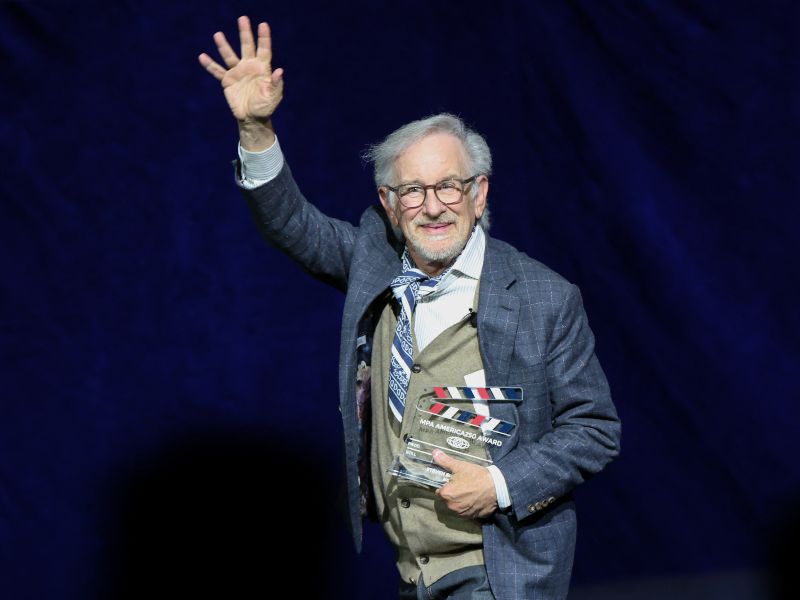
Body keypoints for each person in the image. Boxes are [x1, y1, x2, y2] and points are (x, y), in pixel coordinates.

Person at [199, 16, 621, 600]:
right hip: (414, 572)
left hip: (498, 572)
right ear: (389, 204)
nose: (433, 206)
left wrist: (500, 482)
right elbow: (292, 224)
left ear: (479, 193)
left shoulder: (544, 296)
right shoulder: (376, 263)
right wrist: (256, 128)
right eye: (413, 191)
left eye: (449, 186)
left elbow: (594, 428)